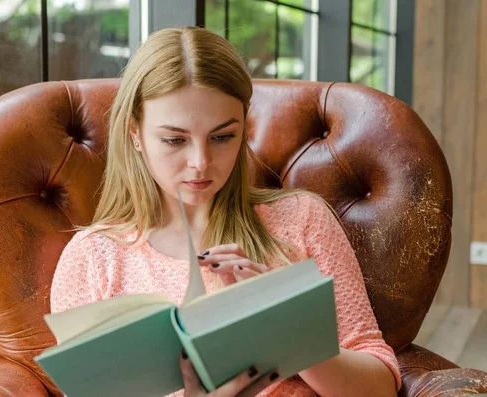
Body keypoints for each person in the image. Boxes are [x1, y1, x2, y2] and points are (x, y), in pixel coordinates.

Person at [50, 26, 401, 397]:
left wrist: (285, 329)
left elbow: (379, 388)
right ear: (135, 133)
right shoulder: (93, 258)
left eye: (222, 137)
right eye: (174, 140)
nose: (200, 163)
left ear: (245, 128)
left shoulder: (302, 219)